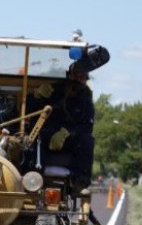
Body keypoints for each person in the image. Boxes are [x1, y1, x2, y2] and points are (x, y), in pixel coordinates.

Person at [30, 63, 95, 192]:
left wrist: (67, 133)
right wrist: (36, 95)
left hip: (69, 140)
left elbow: (87, 126)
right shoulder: (52, 91)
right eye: (76, 75)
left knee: (87, 140)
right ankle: (33, 180)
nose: (79, 80)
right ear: (69, 75)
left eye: (83, 77)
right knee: (32, 139)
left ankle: (79, 181)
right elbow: (30, 112)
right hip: (45, 138)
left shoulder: (86, 100)